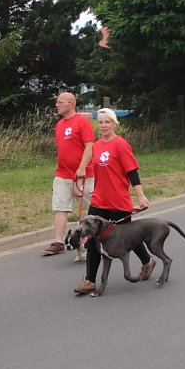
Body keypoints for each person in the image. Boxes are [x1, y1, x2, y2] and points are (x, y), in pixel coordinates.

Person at [73, 108, 156, 295]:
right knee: (94, 240)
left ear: (114, 124)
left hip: (119, 201)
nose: (103, 126)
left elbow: (132, 172)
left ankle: (147, 261)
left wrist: (140, 195)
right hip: (99, 201)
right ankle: (89, 281)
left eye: (107, 122)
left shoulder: (121, 144)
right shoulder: (96, 145)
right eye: (100, 122)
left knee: (129, 240)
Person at [43, 92, 94, 257]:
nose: (57, 105)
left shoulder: (82, 121)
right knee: (60, 206)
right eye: (57, 102)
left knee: (94, 206)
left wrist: (82, 167)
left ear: (71, 104)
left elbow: (89, 146)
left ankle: (97, 237)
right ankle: (58, 242)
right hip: (62, 173)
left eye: (60, 102)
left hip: (83, 174)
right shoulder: (59, 125)